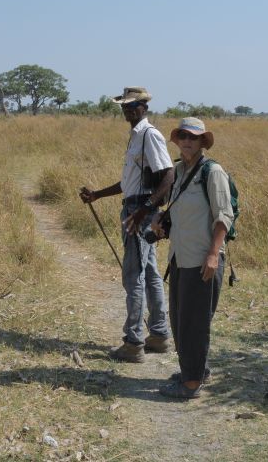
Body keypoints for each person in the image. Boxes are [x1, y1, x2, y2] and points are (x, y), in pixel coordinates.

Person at [79, 87, 175, 362]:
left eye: (134, 105)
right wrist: (97, 194)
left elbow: (168, 175)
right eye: (125, 106)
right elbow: (129, 183)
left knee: (134, 276)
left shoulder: (149, 135)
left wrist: (145, 210)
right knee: (150, 273)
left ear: (145, 106)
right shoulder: (136, 137)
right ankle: (158, 335)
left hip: (139, 211)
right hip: (137, 206)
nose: (129, 110)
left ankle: (133, 343)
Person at [152, 117, 234, 399]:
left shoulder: (213, 172)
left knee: (193, 323)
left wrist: (213, 254)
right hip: (180, 256)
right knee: (180, 318)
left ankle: (190, 384)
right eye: (184, 136)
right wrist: (163, 226)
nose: (188, 141)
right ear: (177, 140)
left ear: (202, 142)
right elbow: (183, 212)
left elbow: (224, 216)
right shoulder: (179, 171)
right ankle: (196, 370)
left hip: (202, 259)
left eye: (194, 137)